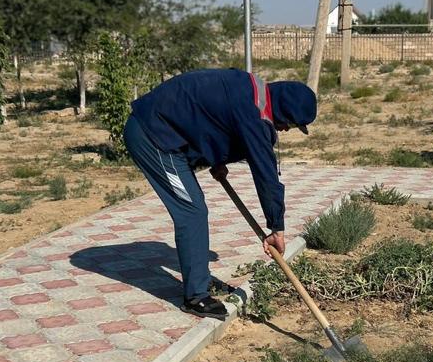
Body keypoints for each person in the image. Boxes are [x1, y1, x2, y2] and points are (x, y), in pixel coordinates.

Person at [123, 68, 317, 319]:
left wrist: (216, 157)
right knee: (192, 211)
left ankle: (200, 279)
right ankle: (196, 297)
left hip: (166, 131)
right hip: (153, 136)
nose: (286, 130)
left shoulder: (253, 90)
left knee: (193, 207)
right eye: (290, 124)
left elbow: (211, 115)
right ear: (283, 111)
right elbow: (266, 175)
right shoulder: (256, 116)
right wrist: (276, 226)